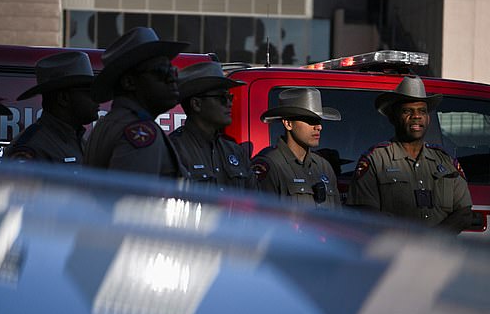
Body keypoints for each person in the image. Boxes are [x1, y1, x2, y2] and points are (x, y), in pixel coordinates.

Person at [346, 76, 477, 232]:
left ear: (428, 119)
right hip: (395, 252)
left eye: (422, 111)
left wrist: (435, 238)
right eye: (407, 111)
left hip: (440, 252)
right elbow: (365, 214)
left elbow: (464, 213)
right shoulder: (376, 160)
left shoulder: (446, 161)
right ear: (393, 118)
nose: (416, 116)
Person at [83, 27, 189, 178]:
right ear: (129, 82)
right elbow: (132, 200)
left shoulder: (110, 122)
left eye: (173, 71)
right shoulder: (139, 131)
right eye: (161, 71)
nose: (172, 79)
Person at [169, 61, 256, 190]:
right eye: (222, 97)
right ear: (196, 104)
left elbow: (253, 201)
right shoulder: (174, 150)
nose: (229, 103)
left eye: (230, 97)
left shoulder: (235, 151)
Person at [251, 88, 342, 210]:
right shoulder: (271, 165)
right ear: (288, 124)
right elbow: (263, 220)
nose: (319, 127)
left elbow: (337, 219)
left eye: (319, 121)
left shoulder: (324, 167)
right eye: (310, 120)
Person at [5, 51, 100, 164]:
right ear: (63, 98)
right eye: (90, 93)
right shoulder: (30, 148)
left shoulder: (78, 141)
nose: (97, 99)